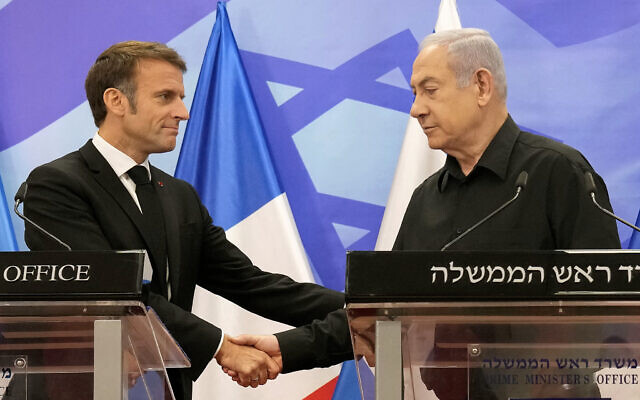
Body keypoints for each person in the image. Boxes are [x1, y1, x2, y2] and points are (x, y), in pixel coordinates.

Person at [228, 28, 622, 398]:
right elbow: (381, 311)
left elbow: (606, 308)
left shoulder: (558, 173)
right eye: (415, 93)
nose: (416, 109)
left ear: (481, 86)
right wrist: (287, 348)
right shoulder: (427, 198)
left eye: (429, 91)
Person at [21, 41, 351, 400]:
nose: (183, 112)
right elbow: (110, 292)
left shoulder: (178, 195)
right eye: (165, 97)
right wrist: (221, 346)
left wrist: (367, 309)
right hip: (82, 386)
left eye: (181, 96)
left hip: (167, 388)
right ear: (116, 101)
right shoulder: (57, 185)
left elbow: (250, 283)